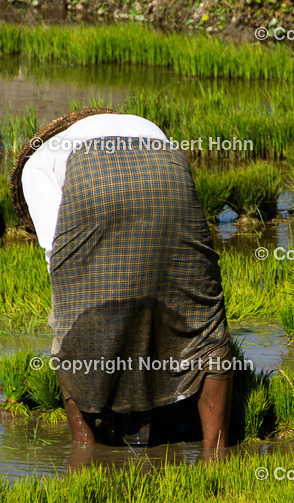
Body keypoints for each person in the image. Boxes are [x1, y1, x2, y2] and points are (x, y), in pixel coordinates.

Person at [11, 109, 232, 448]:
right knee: (200, 312)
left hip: (92, 173)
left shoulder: (36, 165)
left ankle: (85, 445)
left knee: (73, 318)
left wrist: (75, 302)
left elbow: (57, 253)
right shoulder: (146, 126)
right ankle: (216, 452)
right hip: (167, 168)